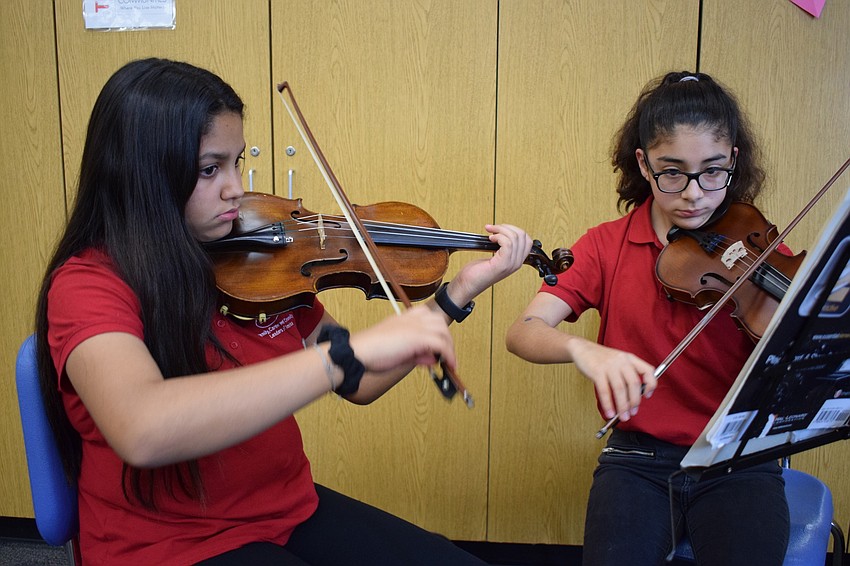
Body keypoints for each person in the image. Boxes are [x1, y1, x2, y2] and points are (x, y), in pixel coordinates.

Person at [35, 57, 533, 565]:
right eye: (210, 169)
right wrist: (342, 354)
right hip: (170, 548)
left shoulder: (260, 266)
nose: (235, 188)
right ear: (143, 173)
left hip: (287, 513)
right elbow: (142, 429)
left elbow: (359, 381)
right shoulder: (89, 283)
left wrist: (457, 294)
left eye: (236, 162)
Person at [505, 71, 791, 565]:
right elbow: (522, 332)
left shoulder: (758, 248)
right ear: (644, 163)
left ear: (733, 163)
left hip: (738, 460)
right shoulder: (605, 244)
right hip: (637, 460)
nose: (695, 193)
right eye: (673, 172)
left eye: (713, 171)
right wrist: (584, 350)